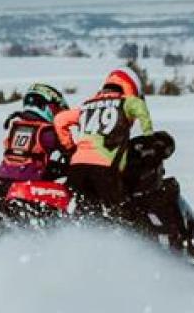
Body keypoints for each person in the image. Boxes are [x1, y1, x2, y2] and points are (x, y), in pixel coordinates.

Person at [54, 67, 154, 219]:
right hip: (106, 169)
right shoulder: (125, 102)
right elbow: (139, 107)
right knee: (120, 214)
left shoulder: (86, 106)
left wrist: (70, 148)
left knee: (82, 211)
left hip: (77, 169)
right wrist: (148, 135)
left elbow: (60, 119)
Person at [0, 83, 71, 199]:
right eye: (56, 110)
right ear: (44, 106)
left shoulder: (17, 127)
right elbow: (69, 152)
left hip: (1, 181)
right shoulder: (47, 132)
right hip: (25, 186)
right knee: (68, 175)